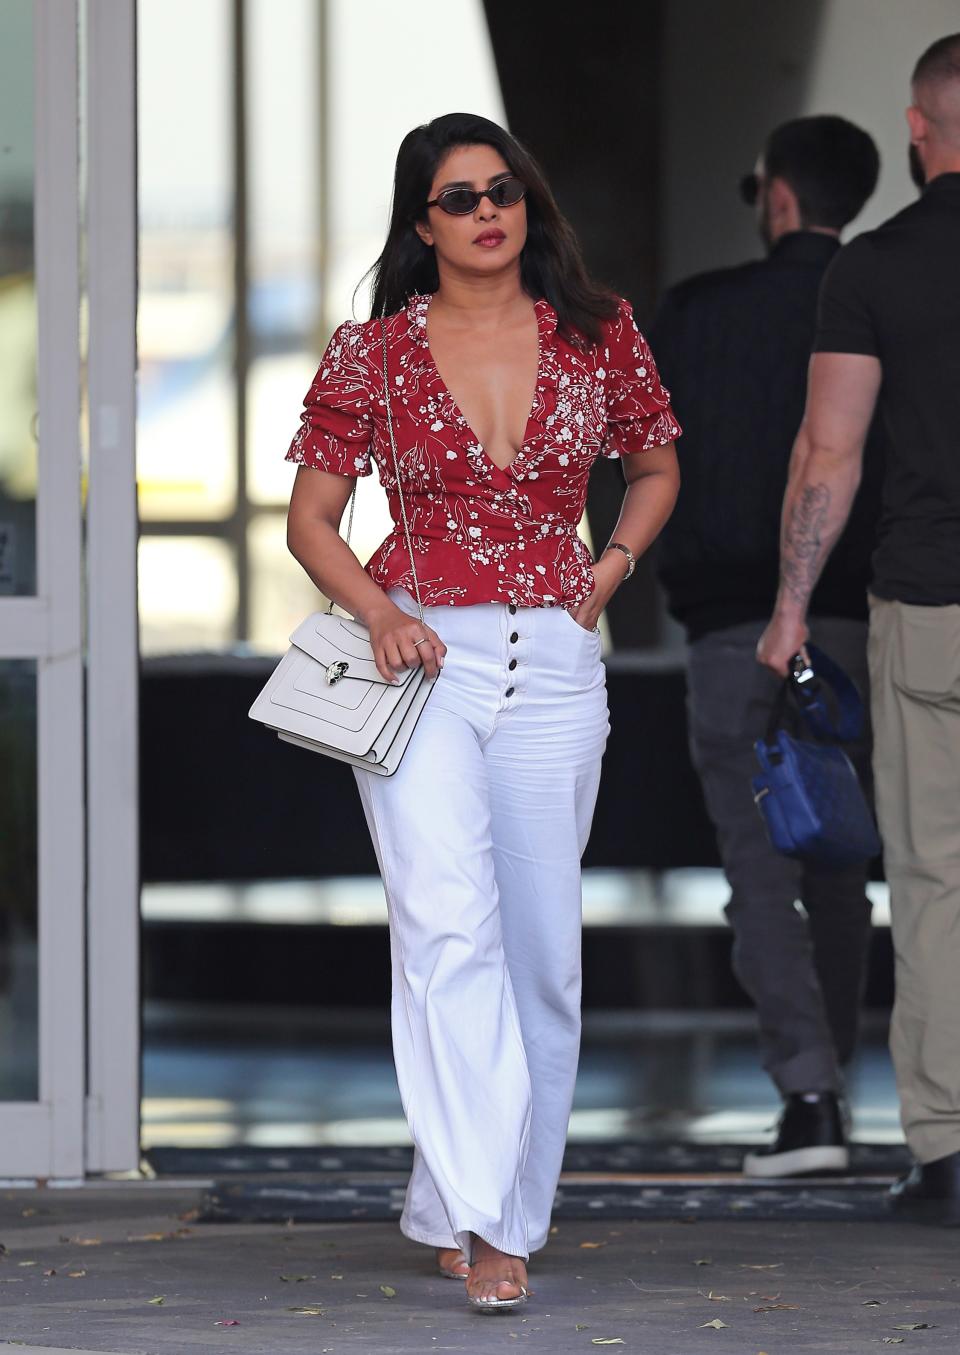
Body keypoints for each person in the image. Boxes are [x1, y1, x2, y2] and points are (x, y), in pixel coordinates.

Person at [284, 112, 681, 1308]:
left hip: (557, 662)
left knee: (543, 960)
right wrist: (378, 609)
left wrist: (607, 572)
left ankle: (458, 1194)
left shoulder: (601, 335)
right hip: (423, 663)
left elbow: (656, 462)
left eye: (503, 189)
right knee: (450, 931)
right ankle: (494, 1223)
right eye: (459, 198)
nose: (487, 211)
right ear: (422, 223)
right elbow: (310, 519)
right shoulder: (372, 354)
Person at [652, 115, 882, 1177]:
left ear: (777, 196)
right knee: (841, 861)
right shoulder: (883, 299)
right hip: (860, 620)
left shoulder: (698, 314)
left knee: (759, 864)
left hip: (732, 625)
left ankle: (810, 1096)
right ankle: (834, 1083)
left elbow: (642, 458)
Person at [758, 36, 960, 1223]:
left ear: (919, 132)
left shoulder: (876, 268)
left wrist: (789, 613)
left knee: (934, 881)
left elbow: (827, 452)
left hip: (928, 609)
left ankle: (947, 1150)